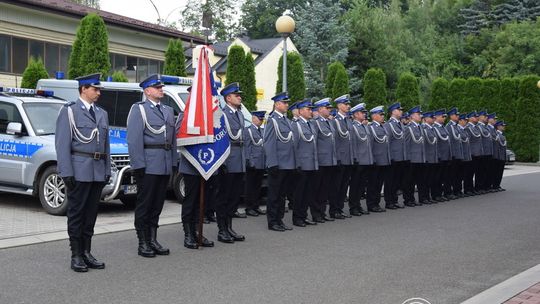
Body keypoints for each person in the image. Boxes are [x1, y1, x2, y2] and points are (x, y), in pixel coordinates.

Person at [55, 73, 109, 272]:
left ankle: (87, 252)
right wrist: (66, 172)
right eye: (95, 89)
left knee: (91, 214)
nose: (98, 92)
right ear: (83, 89)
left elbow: (106, 145)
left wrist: (107, 169)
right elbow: (62, 144)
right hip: (79, 170)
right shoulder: (69, 112)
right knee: (77, 214)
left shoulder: (102, 113)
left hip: (96, 170)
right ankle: (76, 254)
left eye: (99, 89)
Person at [127, 74, 177, 257]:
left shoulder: (167, 111)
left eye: (161, 87)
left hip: (163, 164)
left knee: (157, 204)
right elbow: (134, 140)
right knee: (145, 204)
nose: (161, 89)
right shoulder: (139, 110)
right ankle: (143, 242)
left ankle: (153, 239)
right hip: (148, 165)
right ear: (147, 91)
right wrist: (138, 165)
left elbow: (171, 141)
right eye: (157, 87)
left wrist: (172, 163)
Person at [175, 113, 215, 249]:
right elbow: (178, 135)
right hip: (190, 165)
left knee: (201, 201)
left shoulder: (210, 114)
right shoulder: (185, 114)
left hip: (206, 163)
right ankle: (188, 234)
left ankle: (198, 232)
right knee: (190, 201)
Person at [217, 82, 246, 241]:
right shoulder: (220, 114)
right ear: (228, 98)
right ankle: (222, 230)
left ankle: (229, 227)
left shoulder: (239, 114)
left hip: (239, 159)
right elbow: (218, 139)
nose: (240, 97)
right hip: (227, 160)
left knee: (235, 197)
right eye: (237, 95)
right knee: (224, 197)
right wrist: (222, 162)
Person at [264, 92, 296, 232]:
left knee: (282, 195)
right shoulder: (272, 120)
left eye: (287, 102)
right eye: (284, 102)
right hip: (278, 164)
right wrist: (272, 163)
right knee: (274, 194)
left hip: (288, 164)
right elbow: (269, 143)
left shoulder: (286, 120)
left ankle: (280, 219)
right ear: (277, 104)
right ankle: (272, 221)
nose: (287, 105)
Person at [291, 99, 318, 227]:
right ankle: (297, 218)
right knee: (299, 193)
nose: (310, 111)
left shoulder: (311, 125)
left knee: (308, 192)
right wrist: (297, 164)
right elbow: (294, 146)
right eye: (308, 109)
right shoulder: (296, 125)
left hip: (311, 164)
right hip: (301, 164)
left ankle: (304, 215)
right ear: (301, 111)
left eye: (311, 109)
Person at [311, 98, 337, 223]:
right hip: (320, 161)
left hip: (329, 160)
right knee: (317, 188)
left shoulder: (329, 122)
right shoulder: (315, 123)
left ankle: (322, 211)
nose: (329, 110)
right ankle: (316, 213)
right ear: (320, 109)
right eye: (327, 108)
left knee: (325, 188)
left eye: (329, 108)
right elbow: (314, 143)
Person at [331, 94, 354, 219]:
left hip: (348, 158)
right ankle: (334, 210)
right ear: (339, 106)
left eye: (348, 104)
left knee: (344, 186)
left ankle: (339, 208)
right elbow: (334, 142)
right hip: (340, 159)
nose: (348, 106)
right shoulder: (335, 121)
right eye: (346, 104)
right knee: (337, 186)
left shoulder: (348, 120)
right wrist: (337, 158)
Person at [348, 103, 372, 216]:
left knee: (361, 185)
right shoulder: (353, 127)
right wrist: (355, 159)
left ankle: (358, 205)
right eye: (362, 113)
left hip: (366, 160)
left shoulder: (364, 126)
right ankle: (353, 207)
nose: (364, 114)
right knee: (355, 185)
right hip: (358, 161)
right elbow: (352, 144)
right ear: (356, 114)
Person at [366, 105, 390, 213]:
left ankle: (376, 203)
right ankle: (371, 204)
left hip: (383, 160)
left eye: (383, 114)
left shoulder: (382, 127)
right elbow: (370, 145)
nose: (382, 116)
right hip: (375, 160)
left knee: (379, 184)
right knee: (373, 184)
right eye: (380, 115)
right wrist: (372, 159)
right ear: (374, 116)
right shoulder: (371, 128)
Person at [383, 102, 407, 209]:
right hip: (392, 157)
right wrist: (389, 156)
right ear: (393, 111)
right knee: (390, 180)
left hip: (401, 156)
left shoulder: (400, 124)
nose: (401, 111)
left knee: (397, 180)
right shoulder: (389, 125)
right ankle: (389, 201)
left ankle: (394, 200)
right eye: (399, 110)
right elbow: (387, 142)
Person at [244, 111, 267, 217]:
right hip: (253, 163)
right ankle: (249, 207)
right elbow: (247, 147)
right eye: (259, 119)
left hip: (261, 162)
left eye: (262, 119)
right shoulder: (248, 130)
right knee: (250, 187)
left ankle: (256, 206)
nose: (261, 121)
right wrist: (250, 161)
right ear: (253, 118)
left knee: (258, 186)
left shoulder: (262, 130)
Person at [403, 106, 425, 206]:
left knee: (420, 179)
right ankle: (408, 200)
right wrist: (407, 158)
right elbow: (406, 144)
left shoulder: (420, 127)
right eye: (418, 114)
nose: (420, 116)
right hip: (411, 158)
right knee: (409, 181)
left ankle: (422, 198)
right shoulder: (408, 128)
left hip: (420, 157)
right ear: (411, 116)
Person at [432, 109, 453, 201]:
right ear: (436, 117)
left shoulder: (443, 127)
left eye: (445, 116)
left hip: (446, 156)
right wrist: (438, 156)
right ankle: (436, 195)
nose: (444, 118)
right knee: (437, 178)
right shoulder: (434, 128)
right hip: (439, 156)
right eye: (442, 116)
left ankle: (445, 193)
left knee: (446, 176)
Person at [445, 108, 464, 198]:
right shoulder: (449, 126)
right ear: (451, 116)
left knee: (458, 174)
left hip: (458, 154)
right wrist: (451, 154)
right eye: (456, 115)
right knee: (450, 175)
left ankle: (458, 190)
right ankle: (449, 192)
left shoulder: (456, 126)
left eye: (458, 115)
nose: (458, 116)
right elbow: (449, 142)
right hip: (453, 154)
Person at [465, 111, 484, 195]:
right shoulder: (468, 127)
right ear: (470, 118)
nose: (477, 118)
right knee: (469, 173)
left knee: (477, 171)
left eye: (477, 117)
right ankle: (468, 189)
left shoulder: (476, 127)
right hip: (472, 153)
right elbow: (467, 142)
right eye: (475, 117)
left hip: (478, 153)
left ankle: (475, 188)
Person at [422, 111, 439, 204]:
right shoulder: (424, 128)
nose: (433, 119)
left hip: (433, 157)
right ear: (426, 119)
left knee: (433, 178)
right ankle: (425, 197)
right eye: (431, 117)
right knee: (425, 179)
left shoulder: (432, 129)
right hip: (427, 158)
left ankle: (432, 196)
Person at [476, 110, 493, 193]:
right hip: (482, 152)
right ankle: (479, 187)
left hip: (487, 152)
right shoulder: (478, 126)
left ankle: (485, 186)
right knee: (480, 171)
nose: (486, 118)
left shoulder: (485, 127)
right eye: (484, 116)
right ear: (479, 117)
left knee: (486, 170)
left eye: (487, 116)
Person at [457, 113, 472, 196]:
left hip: (466, 155)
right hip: (462, 155)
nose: (466, 121)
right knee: (460, 175)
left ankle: (466, 189)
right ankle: (459, 190)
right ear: (460, 121)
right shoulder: (458, 129)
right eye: (465, 120)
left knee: (466, 174)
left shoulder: (464, 130)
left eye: (467, 120)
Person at [492, 121, 507, 191]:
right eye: (502, 125)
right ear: (498, 127)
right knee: (496, 172)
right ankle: (495, 185)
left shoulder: (501, 135)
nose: (503, 127)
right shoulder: (496, 134)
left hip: (501, 156)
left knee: (500, 172)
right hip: (498, 156)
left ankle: (497, 185)